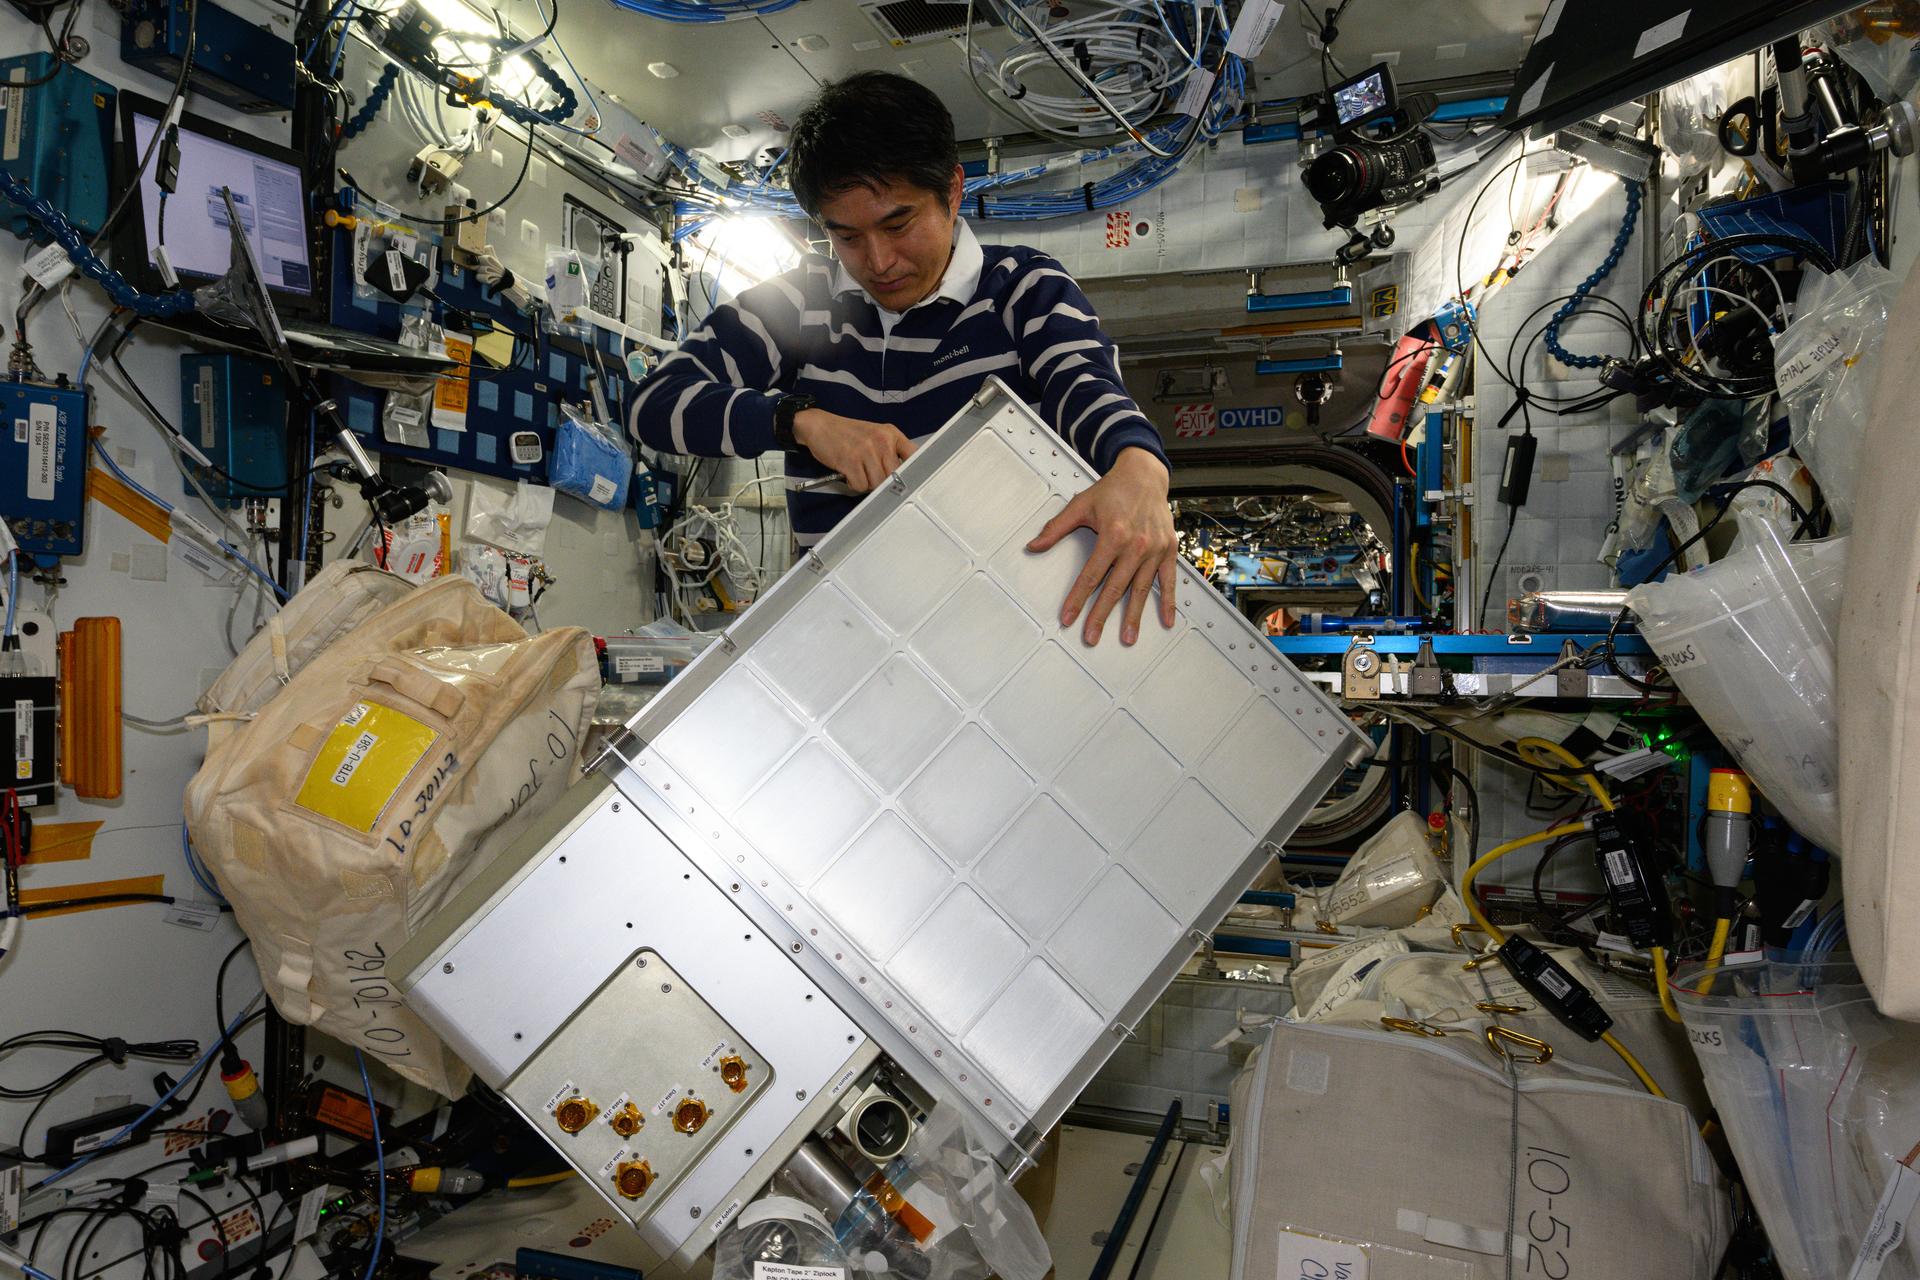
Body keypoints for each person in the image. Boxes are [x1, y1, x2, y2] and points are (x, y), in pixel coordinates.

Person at [629, 71, 1179, 647]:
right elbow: (652, 404)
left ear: (952, 190)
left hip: (1007, 634)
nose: (879, 261)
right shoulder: (802, 304)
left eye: (899, 224)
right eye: (847, 237)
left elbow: (1084, 384)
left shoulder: (1022, 289)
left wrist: (1139, 469)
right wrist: (800, 422)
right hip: (846, 637)